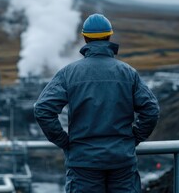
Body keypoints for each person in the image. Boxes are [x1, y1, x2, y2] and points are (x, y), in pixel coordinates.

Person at [34, 14, 160, 192]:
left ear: (85, 39)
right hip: (122, 162)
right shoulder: (128, 72)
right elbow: (151, 110)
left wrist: (64, 141)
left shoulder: (69, 73)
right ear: (109, 36)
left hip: (83, 164)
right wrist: (133, 139)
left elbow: (42, 109)